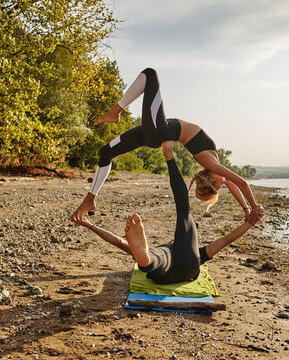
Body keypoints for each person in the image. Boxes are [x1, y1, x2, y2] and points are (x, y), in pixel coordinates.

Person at [71, 68, 263, 225]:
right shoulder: (212, 164)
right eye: (222, 185)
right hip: (154, 134)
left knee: (149, 74)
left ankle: (115, 112)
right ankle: (90, 198)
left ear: (212, 178)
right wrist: (248, 209)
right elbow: (238, 184)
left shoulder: (210, 164)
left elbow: (240, 183)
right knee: (106, 152)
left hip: (159, 130)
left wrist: (254, 207)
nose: (224, 184)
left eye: (220, 185)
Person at [71, 142, 264, 284]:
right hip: (189, 267)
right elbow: (226, 240)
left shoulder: (165, 250)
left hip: (163, 270)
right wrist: (249, 222)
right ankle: (169, 158)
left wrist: (90, 225)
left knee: (157, 258)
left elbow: (118, 242)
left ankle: (145, 260)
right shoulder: (198, 253)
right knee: (184, 212)